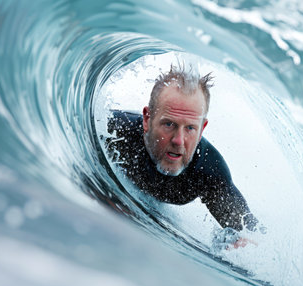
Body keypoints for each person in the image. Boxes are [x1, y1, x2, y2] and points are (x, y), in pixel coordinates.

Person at [104, 65, 259, 235]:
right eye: (169, 124)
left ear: (202, 129)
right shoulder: (115, 130)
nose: (178, 141)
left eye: (190, 128)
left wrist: (241, 242)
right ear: (147, 120)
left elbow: (251, 235)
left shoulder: (209, 171)